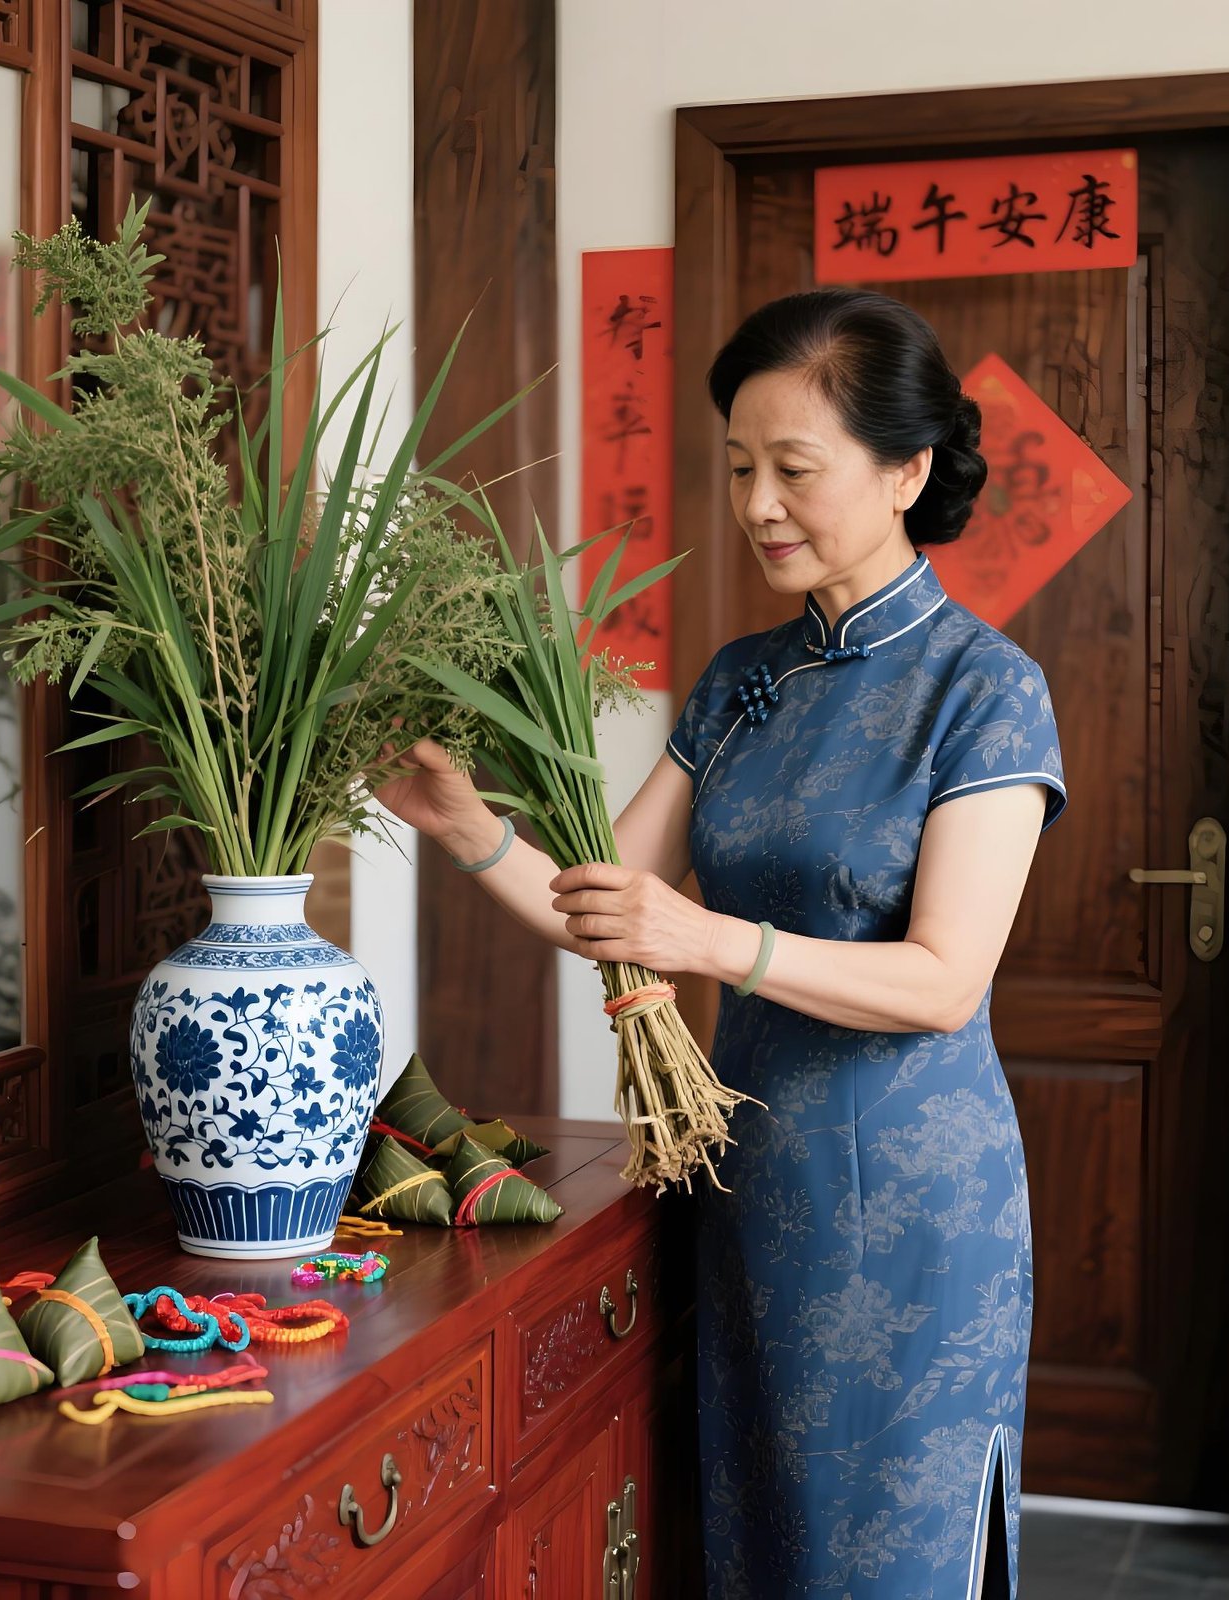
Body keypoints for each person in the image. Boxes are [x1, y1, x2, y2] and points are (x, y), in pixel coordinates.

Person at [377, 287, 1066, 1599]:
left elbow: (942, 984)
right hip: (747, 1185)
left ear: (908, 470)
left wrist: (709, 939)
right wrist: (470, 831)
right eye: (741, 467)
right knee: (756, 1549)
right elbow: (612, 904)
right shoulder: (742, 681)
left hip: (911, 1209)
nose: (758, 504)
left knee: (881, 1570)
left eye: (794, 469)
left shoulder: (985, 690)